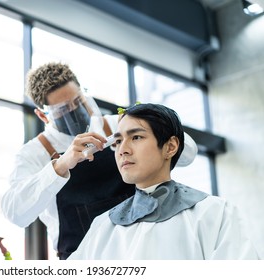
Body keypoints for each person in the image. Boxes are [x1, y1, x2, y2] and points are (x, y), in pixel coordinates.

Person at [1, 62, 198, 259]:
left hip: (140, 250)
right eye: (62, 111)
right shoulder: (34, 153)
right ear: (42, 115)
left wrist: (152, 123)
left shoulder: (118, 125)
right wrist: (61, 165)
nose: (74, 112)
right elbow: (15, 213)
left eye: (77, 102)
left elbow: (187, 154)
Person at [68, 103, 259, 260]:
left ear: (170, 147)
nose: (122, 150)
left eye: (136, 137)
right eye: (117, 141)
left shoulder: (213, 213)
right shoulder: (103, 225)